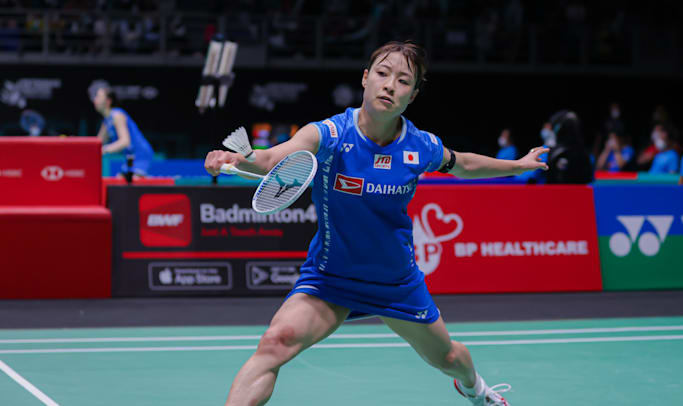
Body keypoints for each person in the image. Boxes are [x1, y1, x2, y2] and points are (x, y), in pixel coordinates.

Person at [204, 40, 548, 406]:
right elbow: (272, 159)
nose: (389, 86)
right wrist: (236, 159)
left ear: (413, 95)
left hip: (394, 282)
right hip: (331, 277)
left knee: (449, 358)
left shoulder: (421, 146)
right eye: (383, 74)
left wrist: (517, 166)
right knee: (275, 343)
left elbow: (462, 163)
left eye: (403, 81)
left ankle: (475, 389)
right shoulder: (330, 134)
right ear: (366, 78)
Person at [92, 85, 154, 178]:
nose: (94, 100)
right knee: (120, 180)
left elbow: (125, 141)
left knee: (132, 182)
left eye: (98, 97)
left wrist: (104, 150)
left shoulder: (117, 115)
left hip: (141, 155)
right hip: (130, 157)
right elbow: (97, 142)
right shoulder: (106, 121)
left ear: (108, 101)